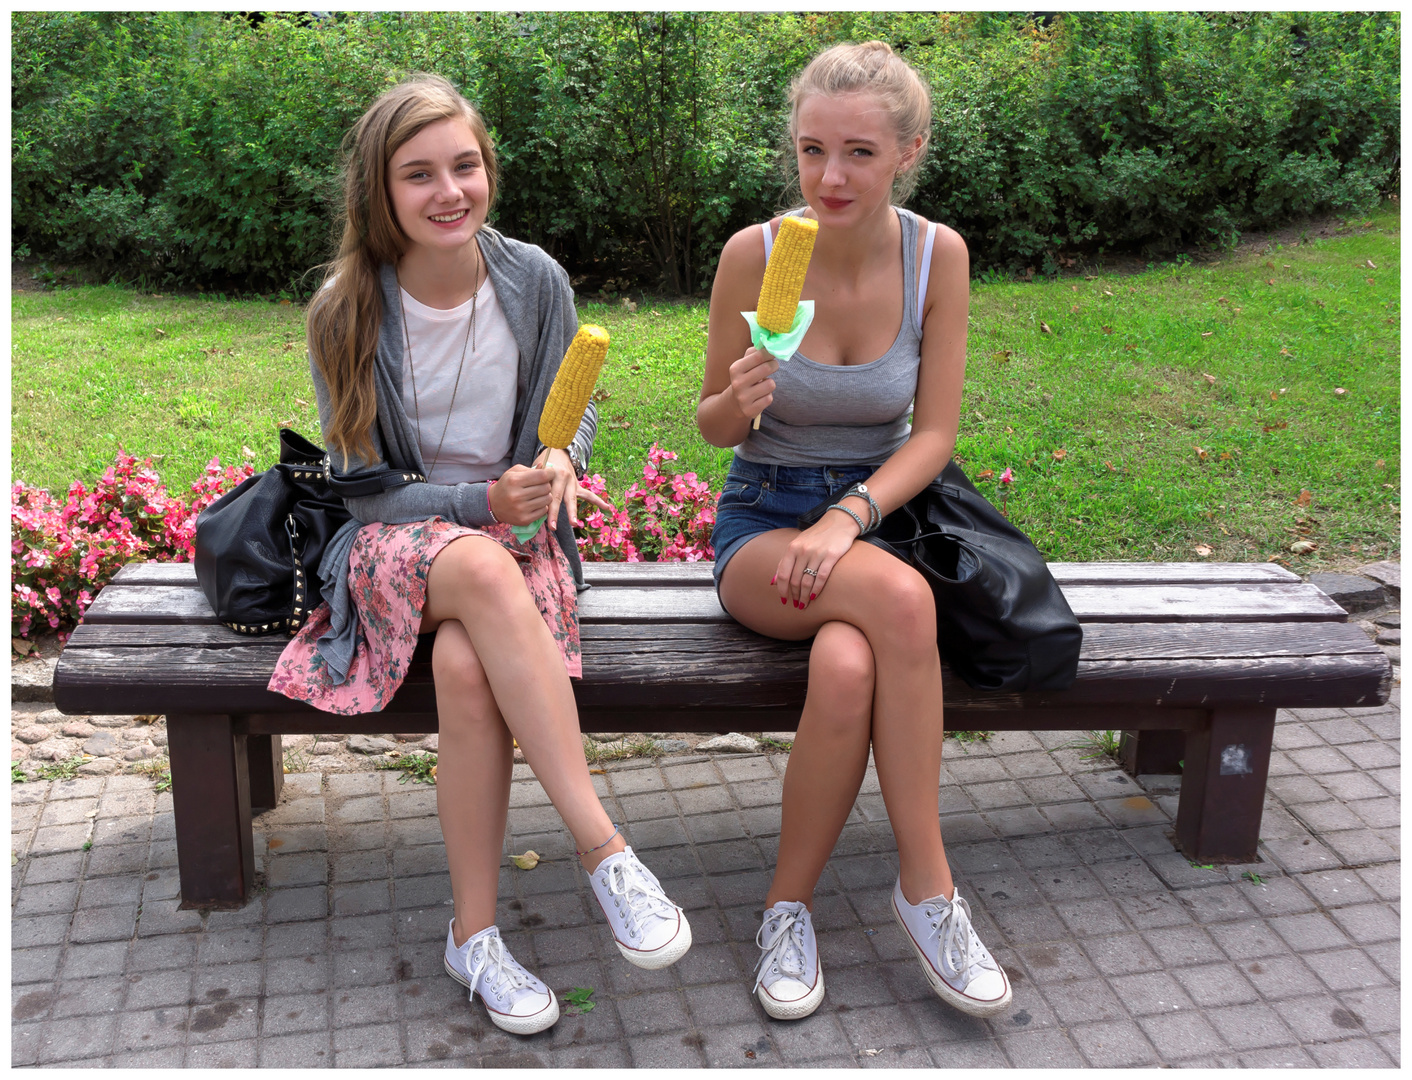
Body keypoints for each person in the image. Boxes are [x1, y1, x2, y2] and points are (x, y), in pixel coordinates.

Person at [268, 75, 691, 1036]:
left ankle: (476, 937)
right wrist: (480, 502)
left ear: (488, 170)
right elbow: (365, 490)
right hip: (388, 545)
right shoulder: (345, 311)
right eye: (418, 174)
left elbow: (565, 419)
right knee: (482, 565)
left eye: (465, 165)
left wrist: (558, 462)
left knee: (465, 670)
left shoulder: (534, 279)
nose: (447, 190)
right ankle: (604, 848)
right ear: (379, 193)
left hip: (516, 543)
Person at [696, 42, 1011, 1021]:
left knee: (845, 665)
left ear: (908, 151)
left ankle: (784, 910)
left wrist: (847, 518)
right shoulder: (755, 254)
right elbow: (711, 428)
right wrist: (740, 395)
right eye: (811, 150)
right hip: (761, 521)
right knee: (896, 600)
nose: (830, 177)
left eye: (859, 153)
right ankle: (927, 888)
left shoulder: (935, 257)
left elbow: (934, 436)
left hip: (881, 516)